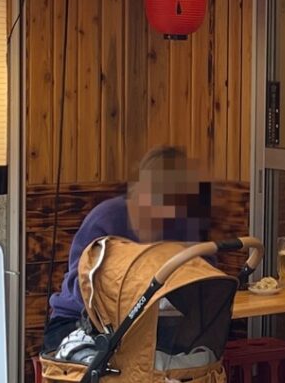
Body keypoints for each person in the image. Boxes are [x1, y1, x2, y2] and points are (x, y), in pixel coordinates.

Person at [42, 146, 208, 356]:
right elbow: (80, 285)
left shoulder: (181, 221)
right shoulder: (107, 218)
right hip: (79, 322)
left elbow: (203, 267)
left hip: (149, 326)